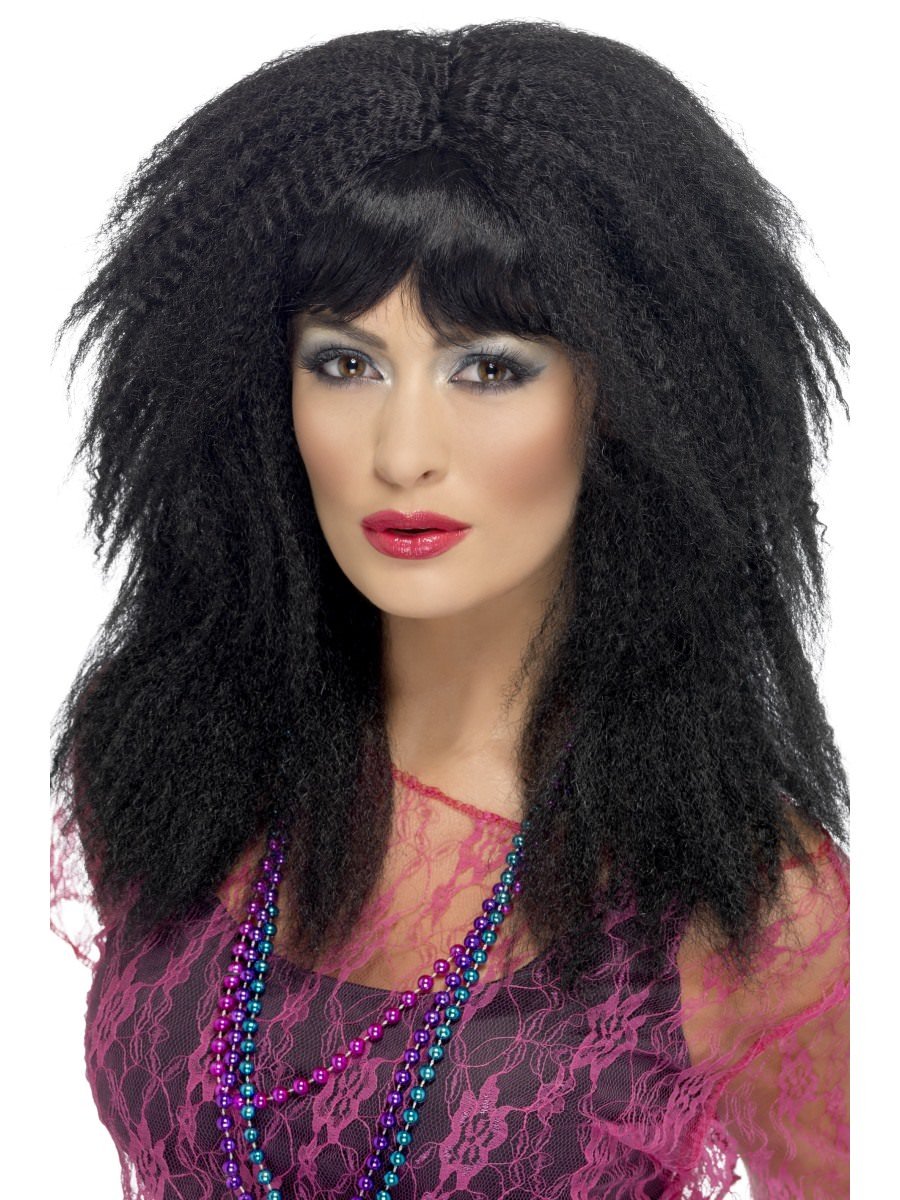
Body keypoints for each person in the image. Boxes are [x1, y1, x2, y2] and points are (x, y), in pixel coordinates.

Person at [49, 19, 850, 1200]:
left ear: (629, 399)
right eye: (345, 363)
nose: (402, 451)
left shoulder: (751, 903)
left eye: (490, 368)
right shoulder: (170, 769)